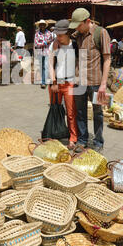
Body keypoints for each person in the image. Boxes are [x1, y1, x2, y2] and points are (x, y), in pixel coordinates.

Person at [69, 8, 111, 153]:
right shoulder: (78, 35)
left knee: (98, 113)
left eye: (78, 25)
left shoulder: (101, 33)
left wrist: (104, 85)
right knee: (80, 112)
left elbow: (107, 59)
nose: (76, 28)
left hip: (96, 82)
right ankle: (82, 140)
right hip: (79, 82)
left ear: (88, 22)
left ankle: (98, 141)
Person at [48, 20, 79, 150]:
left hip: (70, 82)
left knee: (71, 112)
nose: (58, 37)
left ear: (68, 33)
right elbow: (50, 64)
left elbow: (78, 63)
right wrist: (53, 82)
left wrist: (78, 77)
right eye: (57, 35)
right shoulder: (54, 45)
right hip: (56, 82)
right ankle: (53, 134)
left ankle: (73, 137)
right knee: (55, 109)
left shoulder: (75, 45)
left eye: (60, 35)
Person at [34, 20, 53, 89]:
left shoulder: (49, 33)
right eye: (41, 25)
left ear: (45, 26)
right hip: (40, 52)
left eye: (43, 24)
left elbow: (51, 42)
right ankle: (43, 81)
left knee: (46, 66)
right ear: (39, 26)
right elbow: (36, 44)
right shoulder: (37, 34)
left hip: (47, 52)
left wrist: (42, 43)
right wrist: (45, 43)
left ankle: (44, 82)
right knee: (42, 67)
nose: (42, 26)